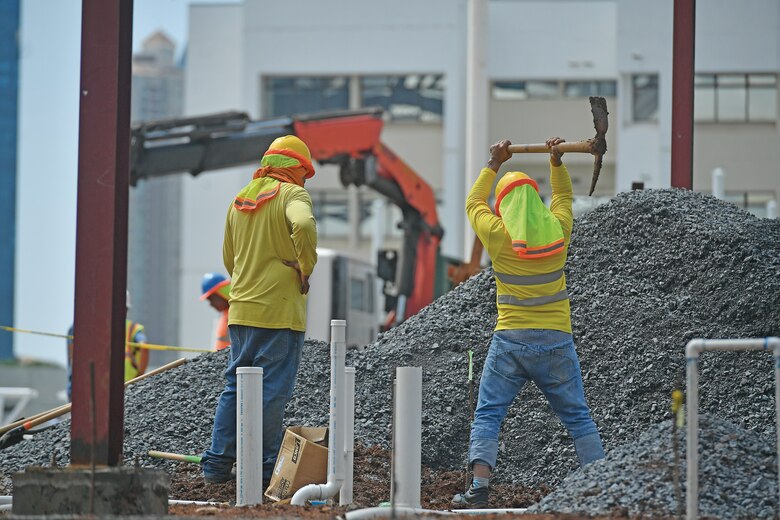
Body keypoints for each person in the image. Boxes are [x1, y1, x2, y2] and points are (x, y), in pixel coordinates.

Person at [453, 138, 605, 507]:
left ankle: (478, 490)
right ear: (534, 202)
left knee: (489, 413)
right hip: (556, 341)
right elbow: (565, 200)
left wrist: (493, 163)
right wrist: (556, 163)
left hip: (510, 342)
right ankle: (603, 484)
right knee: (578, 416)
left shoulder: (497, 235)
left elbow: (473, 203)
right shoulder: (558, 232)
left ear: (504, 206)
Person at [201, 134, 318, 484]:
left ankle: (216, 467)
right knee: (271, 391)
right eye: (304, 173)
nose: (304, 180)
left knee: (234, 387)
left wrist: (247, 279)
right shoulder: (293, 195)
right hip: (279, 313)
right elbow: (304, 224)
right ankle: (266, 468)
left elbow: (229, 256)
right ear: (296, 168)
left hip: (242, 311)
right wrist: (304, 265)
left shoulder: (239, 200)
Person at [66, 290, 148, 400]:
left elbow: (73, 359)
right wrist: (140, 376)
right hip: (123, 387)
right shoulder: (132, 328)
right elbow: (144, 346)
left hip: (95, 387)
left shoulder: (82, 327)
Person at [200, 272, 232, 350]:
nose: (211, 304)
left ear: (221, 293)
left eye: (211, 299)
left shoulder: (237, 314)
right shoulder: (225, 315)